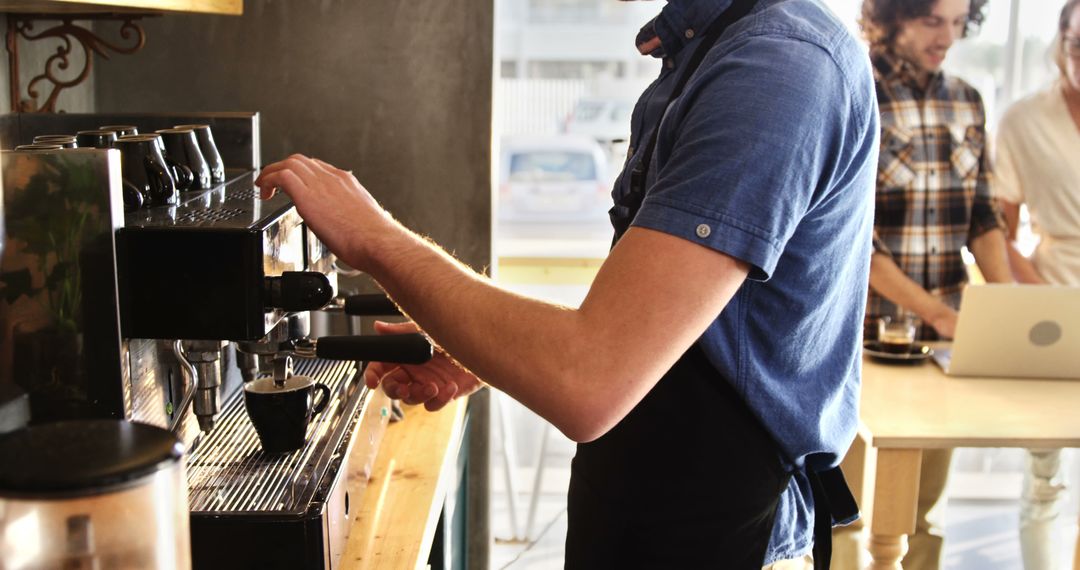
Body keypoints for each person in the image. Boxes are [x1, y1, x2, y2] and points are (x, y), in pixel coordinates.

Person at [257, 0, 879, 567]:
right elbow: (654, 322)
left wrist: (377, 239)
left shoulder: (777, 69)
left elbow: (591, 376)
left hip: (722, 530)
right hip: (651, 509)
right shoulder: (721, 46)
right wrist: (488, 346)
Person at [860, 0, 1015, 568]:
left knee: (921, 513)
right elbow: (853, 242)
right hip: (863, 339)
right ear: (892, 17)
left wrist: (1009, 310)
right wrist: (942, 313)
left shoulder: (966, 100)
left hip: (944, 343)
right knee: (845, 513)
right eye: (932, 21)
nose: (947, 37)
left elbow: (983, 217)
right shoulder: (855, 91)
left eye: (957, 22)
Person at [993, 2, 1080, 566]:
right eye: (1077, 43)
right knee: (1046, 478)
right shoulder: (1025, 119)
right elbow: (997, 227)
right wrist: (1036, 297)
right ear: (1061, 40)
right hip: (1057, 309)